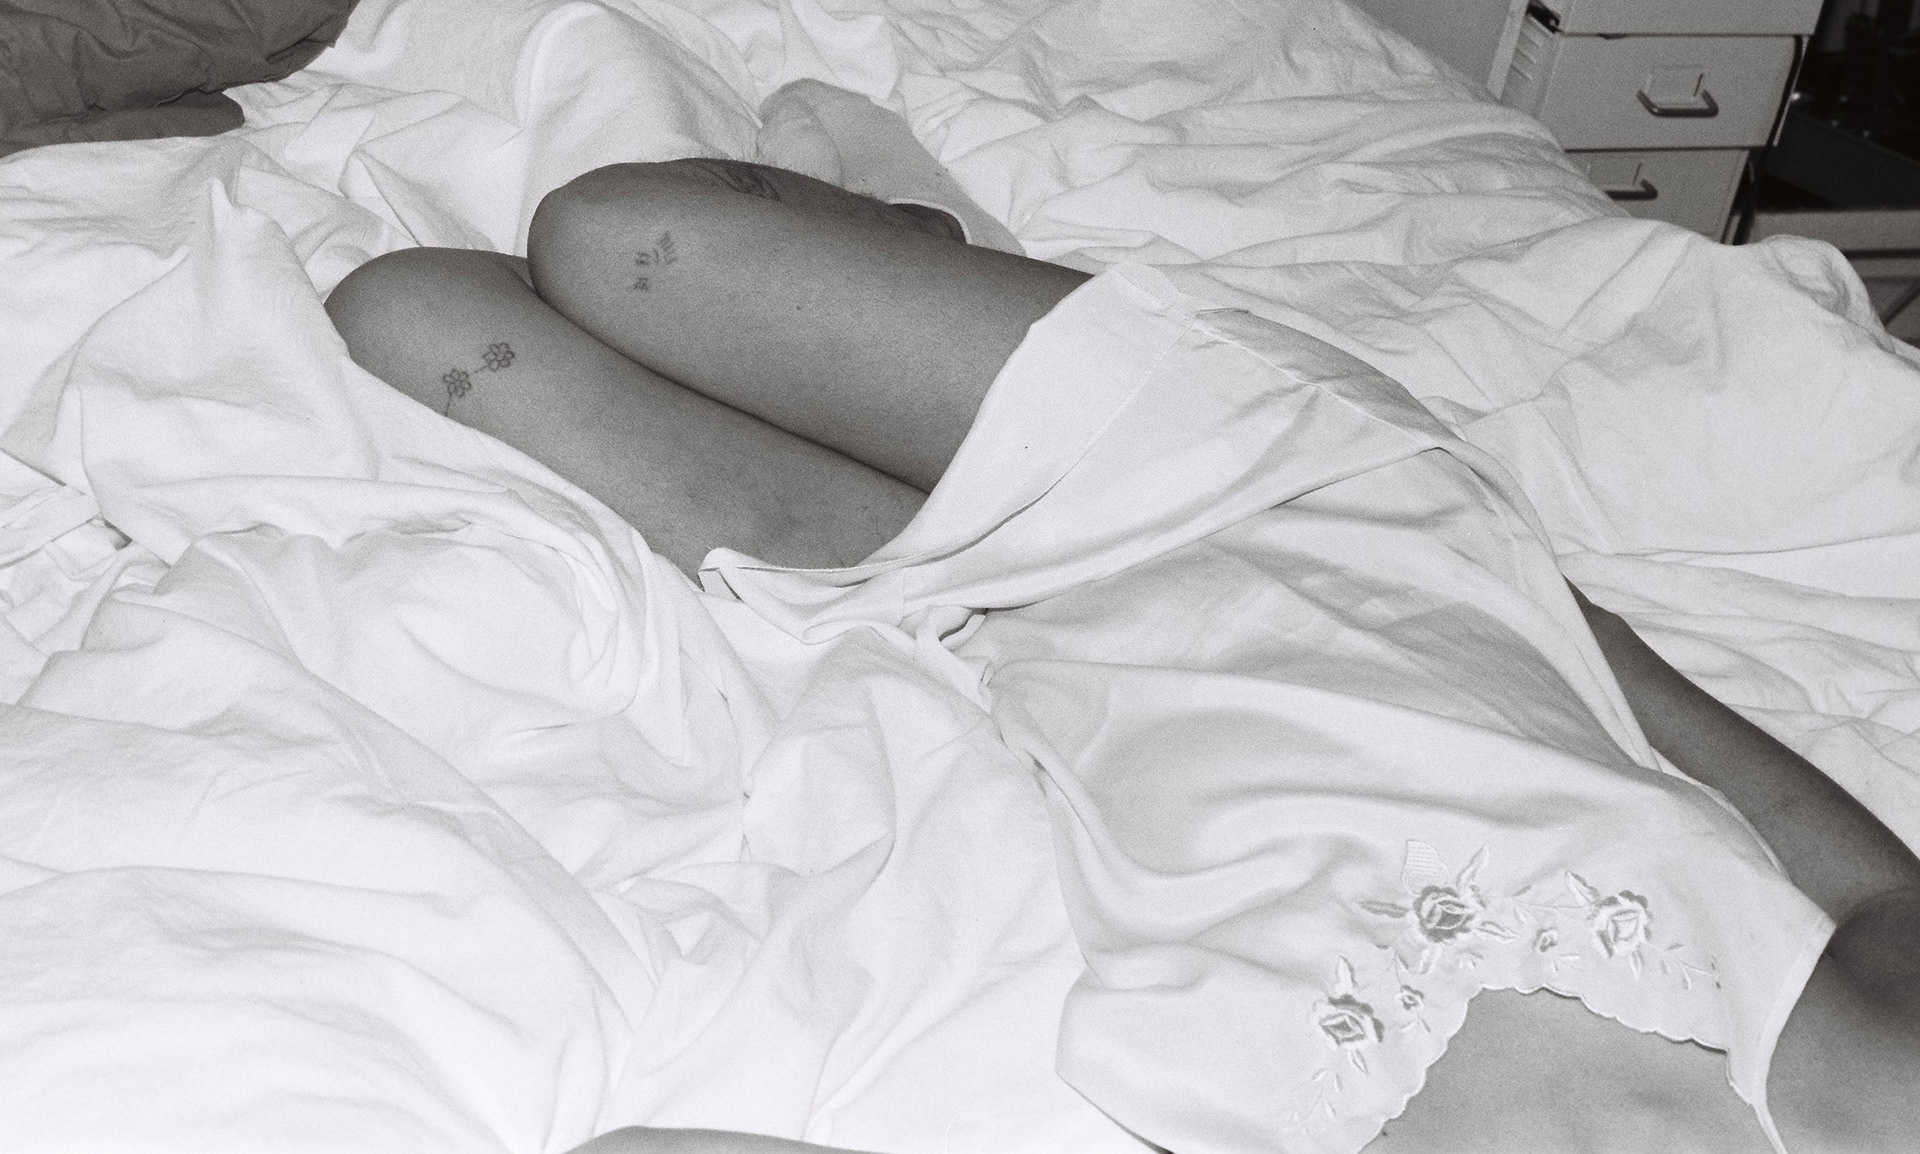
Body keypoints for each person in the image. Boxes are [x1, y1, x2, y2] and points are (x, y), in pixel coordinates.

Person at [323, 89, 1920, 1154]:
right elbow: (1870, 885)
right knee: (607, 238)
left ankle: (899, 333)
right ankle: (931, 249)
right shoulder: (1866, 1101)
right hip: (1296, 499)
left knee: (403, 314)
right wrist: (1562, 618)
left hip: (1004, 624)